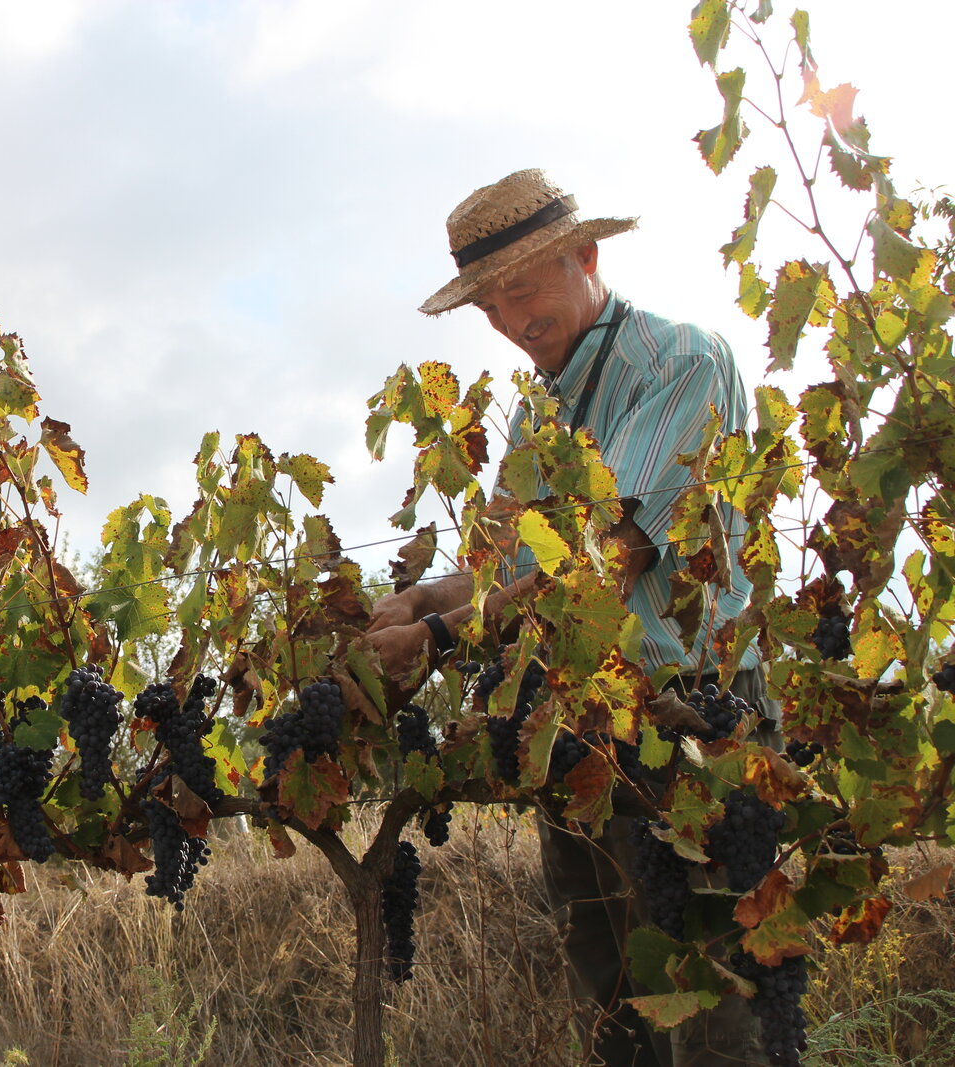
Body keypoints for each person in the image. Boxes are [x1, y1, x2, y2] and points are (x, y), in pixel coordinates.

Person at [366, 170, 768, 1066]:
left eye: (523, 287)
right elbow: (512, 574)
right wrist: (427, 597)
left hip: (682, 726)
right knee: (612, 995)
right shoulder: (539, 408)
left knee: (710, 1004)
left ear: (586, 256)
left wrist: (438, 639)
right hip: (574, 732)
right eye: (489, 305)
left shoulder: (679, 364)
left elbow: (604, 563)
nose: (510, 318)